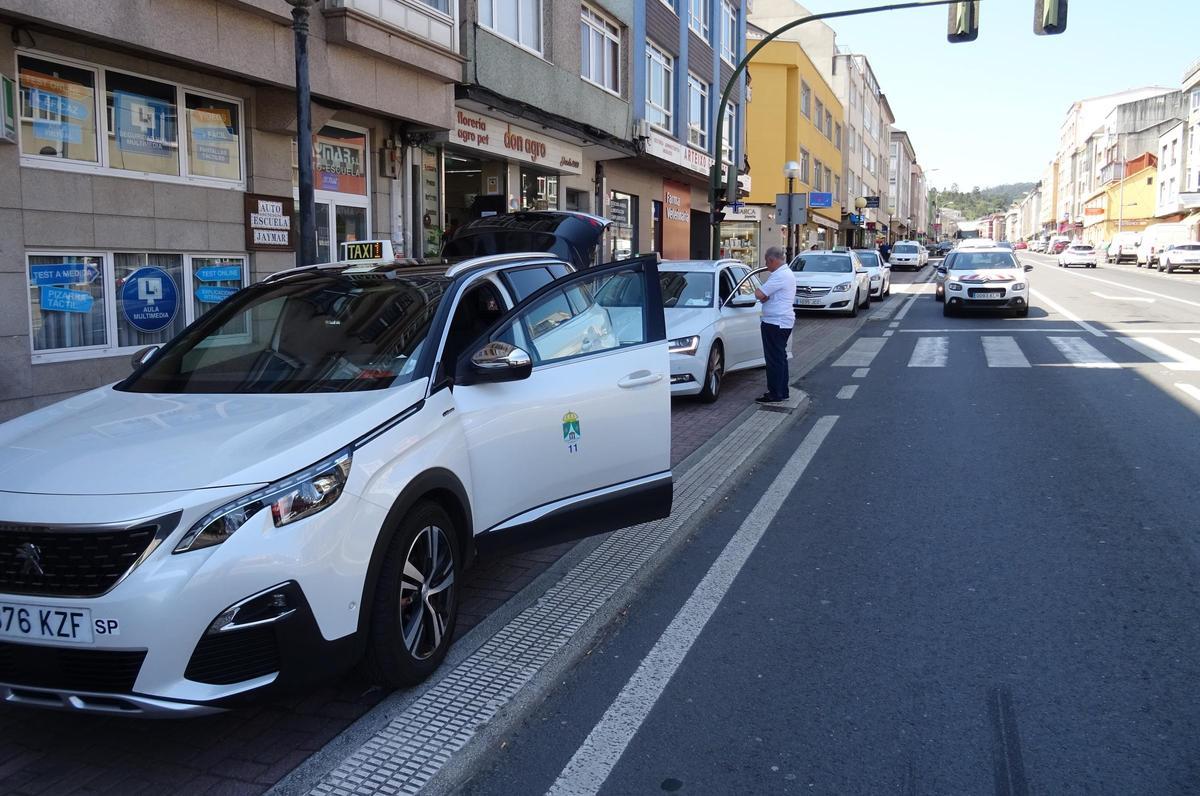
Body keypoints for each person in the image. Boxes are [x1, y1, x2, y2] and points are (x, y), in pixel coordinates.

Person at [753, 246, 797, 404]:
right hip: (782, 321)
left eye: (767, 262)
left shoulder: (779, 276)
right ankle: (782, 391)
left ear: (772, 260)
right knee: (780, 357)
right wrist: (764, 296)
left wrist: (761, 293)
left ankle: (775, 393)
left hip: (775, 322)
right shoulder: (785, 274)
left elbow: (759, 294)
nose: (766, 265)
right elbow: (765, 296)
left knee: (774, 359)